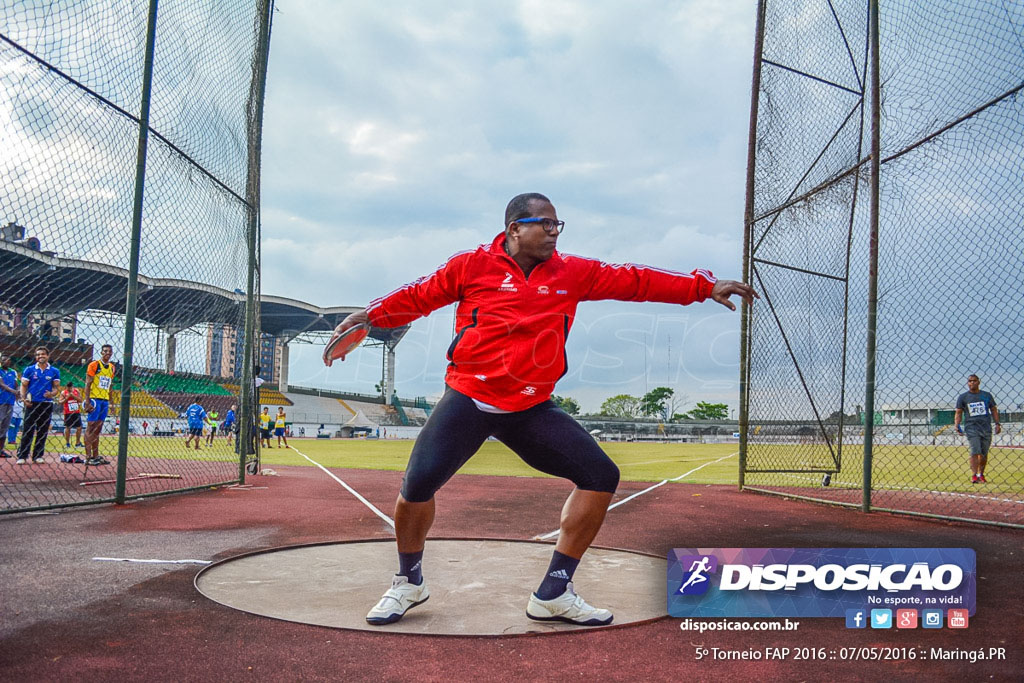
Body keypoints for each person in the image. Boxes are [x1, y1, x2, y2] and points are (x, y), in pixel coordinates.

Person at [323, 193, 758, 626]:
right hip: (470, 396)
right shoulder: (471, 265)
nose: (553, 232)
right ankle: (409, 582)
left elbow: (636, 281)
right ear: (514, 229)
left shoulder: (574, 272)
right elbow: (421, 295)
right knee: (416, 487)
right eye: (544, 224)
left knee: (601, 475)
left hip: (531, 403)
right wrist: (369, 315)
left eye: (557, 225)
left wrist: (703, 287)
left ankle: (554, 592)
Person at [17, 346, 61, 464]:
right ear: (36, 357)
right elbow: (24, 385)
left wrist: (51, 394)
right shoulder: (29, 369)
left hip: (46, 404)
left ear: (48, 356)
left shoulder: (54, 371)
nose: (40, 356)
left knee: (43, 430)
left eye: (42, 354)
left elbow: (56, 388)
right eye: (38, 355)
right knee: (28, 429)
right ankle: (22, 455)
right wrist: (23, 398)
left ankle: (38, 455)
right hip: (32, 403)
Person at [954, 374, 1000, 484]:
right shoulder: (963, 397)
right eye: (970, 381)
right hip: (971, 427)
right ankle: (974, 475)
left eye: (974, 381)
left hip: (986, 427)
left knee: (984, 453)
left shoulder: (986, 395)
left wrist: (997, 423)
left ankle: (981, 474)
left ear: (978, 382)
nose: (972, 383)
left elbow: (993, 409)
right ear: (967, 383)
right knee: (975, 451)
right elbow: (958, 412)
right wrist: (957, 424)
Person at [83, 344, 116, 466]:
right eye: (105, 351)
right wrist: (87, 401)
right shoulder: (94, 365)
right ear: (101, 353)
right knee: (91, 426)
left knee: (98, 427)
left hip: (104, 400)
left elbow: (110, 386)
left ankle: (96, 455)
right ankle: (88, 456)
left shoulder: (112, 368)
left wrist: (111, 403)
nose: (107, 353)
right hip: (95, 399)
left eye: (109, 351)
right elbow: (88, 383)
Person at [0, 354, 18, 458]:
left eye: (7, 359)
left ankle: (1, 450)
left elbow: (16, 384)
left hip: (10, 402)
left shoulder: (13, 372)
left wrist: (19, 391)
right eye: (3, 360)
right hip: (1, 401)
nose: (6, 361)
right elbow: (1, 384)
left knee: (5, 426)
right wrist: (14, 391)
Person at [58, 380, 84, 450]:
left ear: (72, 386)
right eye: (68, 388)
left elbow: (81, 400)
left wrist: (73, 396)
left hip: (76, 412)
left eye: (70, 388)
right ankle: (67, 443)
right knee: (67, 427)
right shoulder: (63, 392)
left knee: (79, 427)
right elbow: (60, 402)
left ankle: (78, 443)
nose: (69, 389)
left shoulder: (76, 391)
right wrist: (67, 398)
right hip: (67, 412)